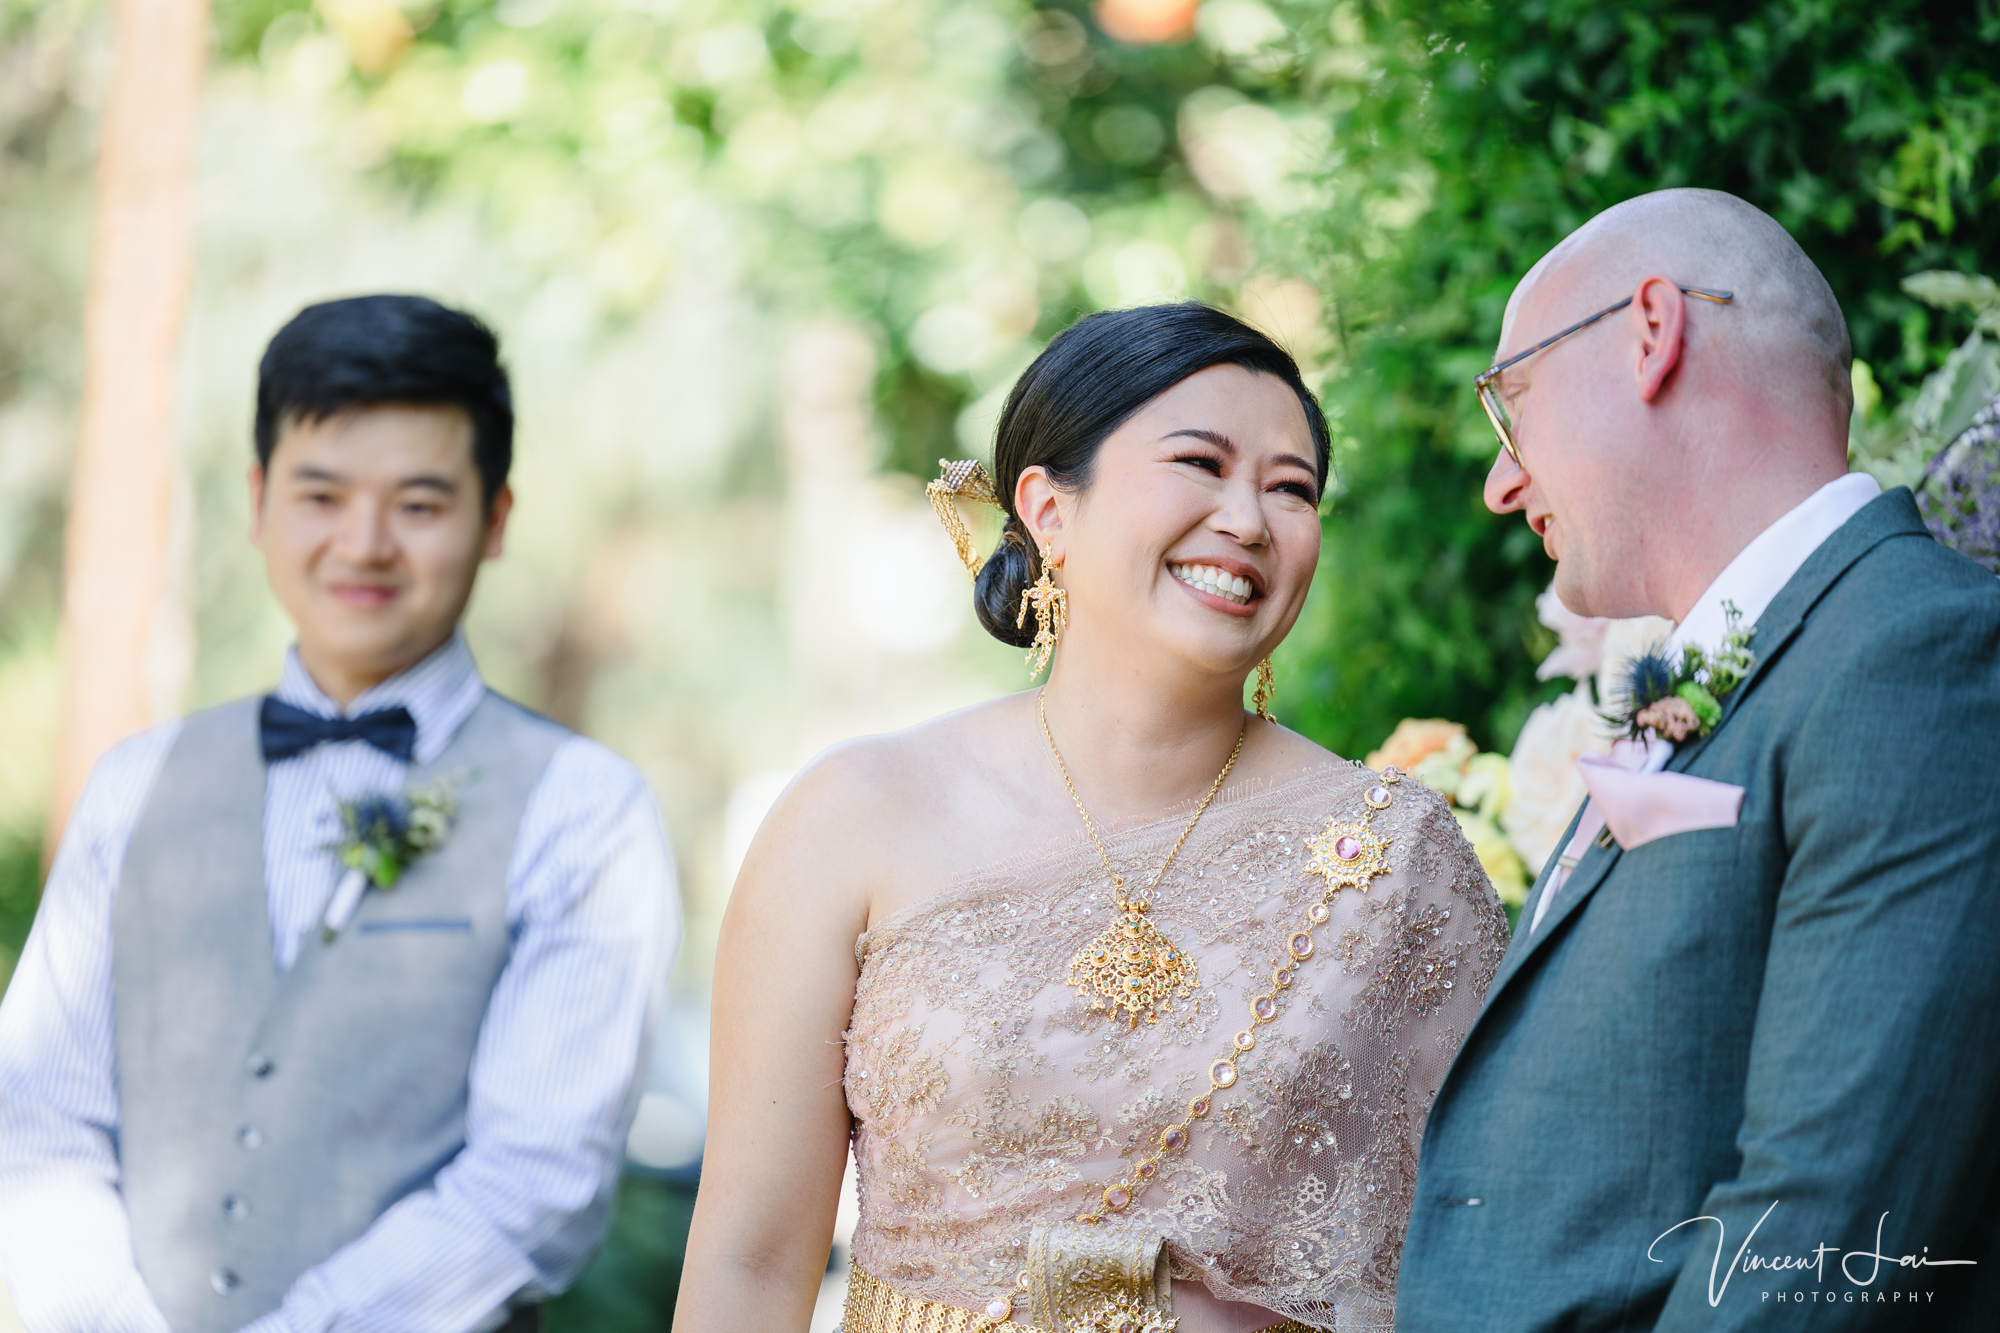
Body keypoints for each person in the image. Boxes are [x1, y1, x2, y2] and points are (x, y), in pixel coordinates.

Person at [677, 302, 1509, 1332]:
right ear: (1047, 512)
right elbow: (751, 1261)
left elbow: (1489, 1244)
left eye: (1289, 489)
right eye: (1198, 464)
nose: (1247, 519)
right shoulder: (853, 818)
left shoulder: (1394, 853)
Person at [0, 295, 679, 1333]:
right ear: (260, 499)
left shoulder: (583, 810)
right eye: (321, 495)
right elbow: (42, 1117)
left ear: (495, 520)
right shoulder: (134, 784)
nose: (363, 545)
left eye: (418, 504)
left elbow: (538, 1179)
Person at [1399, 189, 2000, 1329]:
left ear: (1649, 330)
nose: (1499, 481)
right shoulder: (1735, 665)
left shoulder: (1918, 652)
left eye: (1507, 402)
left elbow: (1824, 1226)